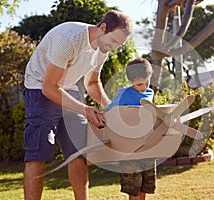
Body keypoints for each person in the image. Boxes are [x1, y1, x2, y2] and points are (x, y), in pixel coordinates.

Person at [23, 10, 133, 200]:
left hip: (68, 88)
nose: (114, 48)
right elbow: (49, 88)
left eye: (119, 45)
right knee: (38, 153)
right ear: (103, 28)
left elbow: (92, 83)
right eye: (114, 41)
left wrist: (109, 107)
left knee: (79, 152)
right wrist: (85, 110)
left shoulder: (102, 49)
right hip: (39, 88)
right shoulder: (69, 38)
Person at [107, 58, 156, 200]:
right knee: (133, 186)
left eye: (147, 82)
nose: (145, 87)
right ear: (130, 81)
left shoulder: (150, 93)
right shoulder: (124, 94)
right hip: (129, 149)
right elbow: (109, 113)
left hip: (147, 146)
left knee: (146, 184)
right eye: (140, 84)